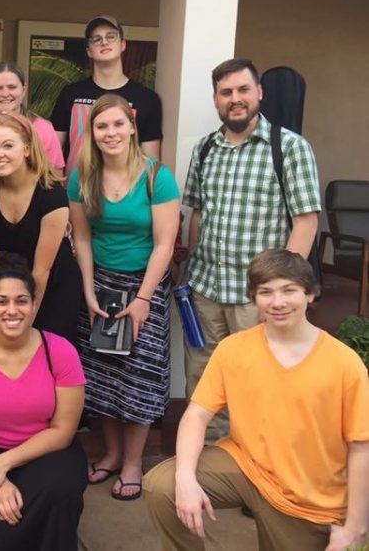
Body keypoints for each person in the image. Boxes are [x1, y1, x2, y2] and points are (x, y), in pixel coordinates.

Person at [143, 250, 369, 551]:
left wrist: (354, 526)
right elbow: (196, 415)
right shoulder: (233, 349)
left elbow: (361, 447)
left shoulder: (344, 363)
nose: (278, 302)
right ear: (254, 298)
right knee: (164, 486)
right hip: (246, 467)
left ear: (311, 294)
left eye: (289, 290)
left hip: (308, 498)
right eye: (266, 292)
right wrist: (185, 479)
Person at [182, 58, 321, 439]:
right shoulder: (206, 149)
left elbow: (306, 221)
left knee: (259, 379)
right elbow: (196, 212)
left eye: (243, 90)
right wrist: (188, 273)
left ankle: (255, 465)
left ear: (259, 93)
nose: (235, 99)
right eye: (226, 93)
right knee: (205, 379)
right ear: (216, 100)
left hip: (254, 295)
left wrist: (281, 290)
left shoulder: (289, 148)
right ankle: (208, 461)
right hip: (206, 291)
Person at [68, 94, 180, 501]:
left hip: (144, 285)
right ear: (92, 134)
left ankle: (133, 463)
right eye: (102, 127)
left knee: (138, 377)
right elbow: (81, 235)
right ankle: (112, 453)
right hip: (99, 286)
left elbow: (165, 244)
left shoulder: (156, 176)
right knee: (101, 374)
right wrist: (87, 288)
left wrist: (145, 298)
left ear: (132, 127)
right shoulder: (82, 177)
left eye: (118, 124)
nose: (110, 133)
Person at [0, 255, 88, 551]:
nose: (12, 310)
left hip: (48, 453)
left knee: (59, 495)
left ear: (34, 304)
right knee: (5, 533)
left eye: (21, 301)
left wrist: (4, 465)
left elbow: (62, 431)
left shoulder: (60, 352)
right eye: (2, 301)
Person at [0, 111, 82, 343]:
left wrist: (25, 322)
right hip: (7, 285)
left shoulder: (52, 195)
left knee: (44, 353)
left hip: (53, 287)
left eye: (7, 145)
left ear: (26, 148)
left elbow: (41, 271)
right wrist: (4, 311)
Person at [50, 15, 163, 173]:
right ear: (89, 51)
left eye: (111, 36)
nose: (104, 42)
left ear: (123, 44)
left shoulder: (146, 99)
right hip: (75, 194)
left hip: (128, 195)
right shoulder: (71, 94)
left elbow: (152, 162)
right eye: (96, 39)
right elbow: (53, 154)